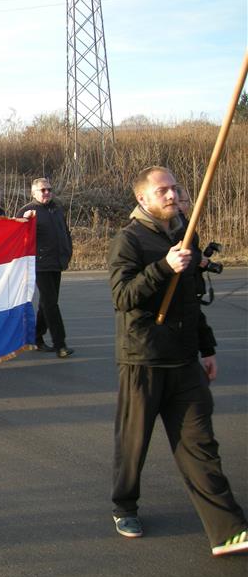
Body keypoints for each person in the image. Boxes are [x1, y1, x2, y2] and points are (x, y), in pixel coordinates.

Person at [108, 165, 248, 556]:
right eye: (162, 191)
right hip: (143, 359)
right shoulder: (129, 240)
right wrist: (162, 268)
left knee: (200, 444)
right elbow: (123, 297)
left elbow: (190, 300)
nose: (172, 196)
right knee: (134, 444)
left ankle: (227, 528)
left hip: (184, 359)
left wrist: (207, 348)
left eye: (175, 189)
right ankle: (124, 505)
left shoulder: (187, 235)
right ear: (143, 199)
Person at [16, 178, 74, 358]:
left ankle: (36, 336)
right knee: (51, 304)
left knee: (46, 303)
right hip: (40, 264)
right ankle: (60, 344)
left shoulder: (56, 209)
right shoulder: (28, 211)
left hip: (57, 262)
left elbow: (65, 231)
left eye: (49, 189)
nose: (47, 192)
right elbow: (17, 235)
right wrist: (23, 221)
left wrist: (68, 251)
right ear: (33, 193)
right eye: (42, 190)